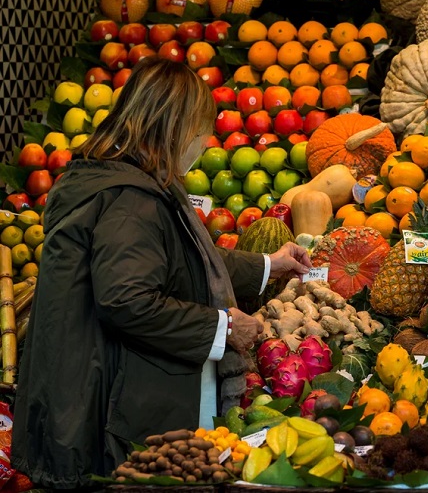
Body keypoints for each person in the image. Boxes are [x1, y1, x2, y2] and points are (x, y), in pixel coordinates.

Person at [11, 57, 311, 489]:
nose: (206, 141)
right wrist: (222, 327)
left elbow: (181, 260)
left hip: (93, 394)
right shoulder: (132, 200)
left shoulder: (124, 182)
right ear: (175, 127)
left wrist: (269, 264)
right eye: (201, 129)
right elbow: (128, 299)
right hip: (104, 408)